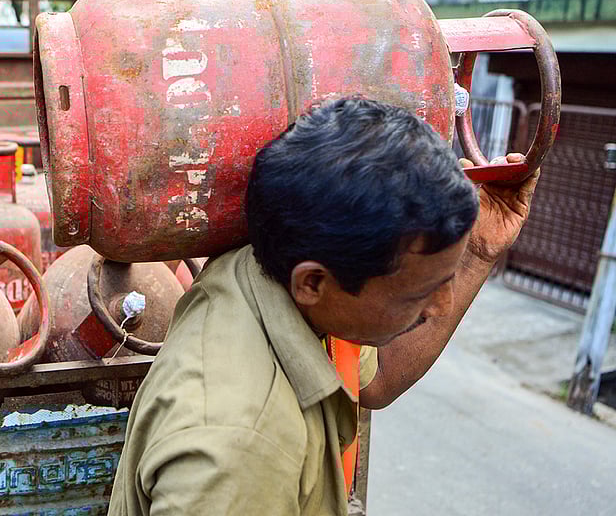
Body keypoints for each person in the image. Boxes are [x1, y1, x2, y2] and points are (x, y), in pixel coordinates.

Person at [107, 97, 539, 516]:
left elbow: (378, 380)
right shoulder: (241, 449)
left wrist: (479, 252)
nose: (441, 307)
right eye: (417, 293)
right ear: (312, 282)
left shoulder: (275, 267)